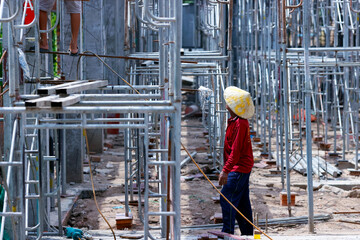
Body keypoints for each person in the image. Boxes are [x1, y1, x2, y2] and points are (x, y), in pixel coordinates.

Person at [218, 86, 255, 236]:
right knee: (241, 203)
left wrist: (226, 170)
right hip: (239, 167)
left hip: (239, 168)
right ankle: (249, 235)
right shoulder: (234, 121)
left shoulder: (240, 123)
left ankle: (227, 233)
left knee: (226, 197)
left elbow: (236, 150)